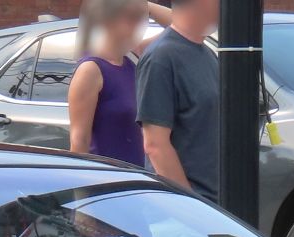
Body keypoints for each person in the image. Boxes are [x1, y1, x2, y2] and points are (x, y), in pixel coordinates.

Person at [67, 0, 173, 166]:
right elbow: (79, 142)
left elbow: (182, 26)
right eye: (130, 19)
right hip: (106, 182)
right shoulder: (91, 70)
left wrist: (144, 4)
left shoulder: (133, 57)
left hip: (136, 178)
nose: (137, 27)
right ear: (107, 22)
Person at [136, 0, 221, 202]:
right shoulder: (160, 57)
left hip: (214, 206)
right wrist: (191, 205)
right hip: (181, 211)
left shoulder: (208, 54)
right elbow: (155, 145)